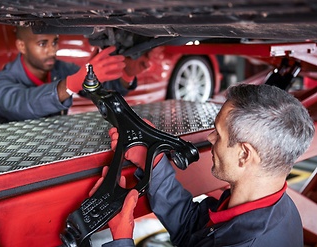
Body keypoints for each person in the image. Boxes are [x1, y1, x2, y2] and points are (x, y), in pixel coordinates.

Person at [97, 84, 315, 247]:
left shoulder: (242, 242)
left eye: (218, 134)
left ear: (244, 155)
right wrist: (153, 161)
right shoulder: (278, 208)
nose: (210, 138)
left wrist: (122, 239)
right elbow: (189, 228)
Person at [0, 26, 149, 124]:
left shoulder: (60, 68)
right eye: (42, 44)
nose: (52, 50)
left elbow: (100, 90)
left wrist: (126, 75)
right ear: (21, 46)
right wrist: (70, 84)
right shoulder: (0, 82)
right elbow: (24, 104)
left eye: (54, 42)